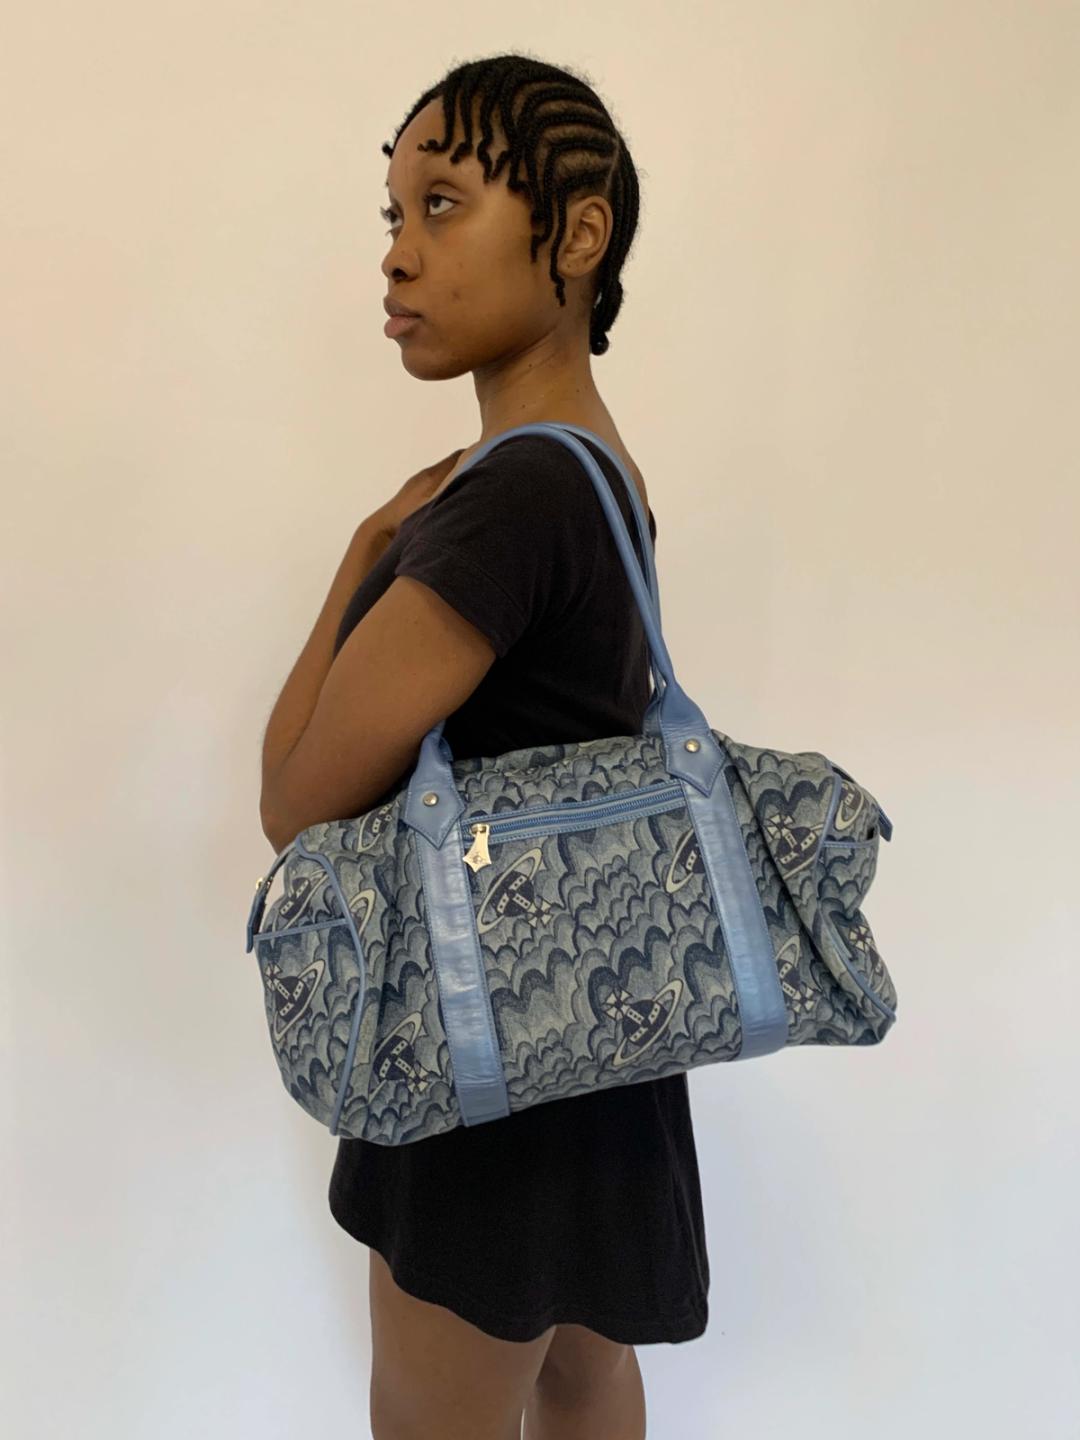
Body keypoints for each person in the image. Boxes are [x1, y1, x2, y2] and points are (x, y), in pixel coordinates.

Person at [258, 52, 709, 1440]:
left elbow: (296, 801)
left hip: (480, 1051)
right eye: (393, 213)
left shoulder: (505, 503)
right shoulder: (601, 471)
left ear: (578, 235)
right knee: (585, 1376)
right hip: (605, 1026)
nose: (399, 254)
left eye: (443, 205)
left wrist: (364, 550)